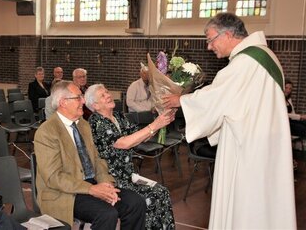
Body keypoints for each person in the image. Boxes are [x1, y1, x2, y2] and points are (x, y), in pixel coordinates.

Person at [161, 12, 297, 229]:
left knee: (246, 203)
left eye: (211, 39)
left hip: (248, 148)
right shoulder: (266, 56)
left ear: (229, 34)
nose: (209, 46)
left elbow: (217, 98)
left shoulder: (244, 63)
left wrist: (181, 100)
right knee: (266, 201)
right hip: (266, 144)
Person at [34, 80, 146, 229]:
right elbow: (54, 177)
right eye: (78, 97)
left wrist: (106, 183)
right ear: (63, 102)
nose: (83, 101)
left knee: (135, 202)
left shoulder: (83, 124)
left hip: (90, 184)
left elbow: (97, 159)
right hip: (64, 193)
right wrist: (91, 189)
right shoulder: (46, 132)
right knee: (107, 214)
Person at [85, 84, 175, 230]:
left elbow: (138, 137)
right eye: (103, 95)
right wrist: (154, 125)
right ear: (95, 105)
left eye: (107, 91)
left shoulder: (118, 117)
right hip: (112, 178)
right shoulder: (96, 122)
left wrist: (159, 124)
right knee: (151, 197)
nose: (108, 95)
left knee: (162, 192)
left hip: (128, 176)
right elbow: (123, 143)